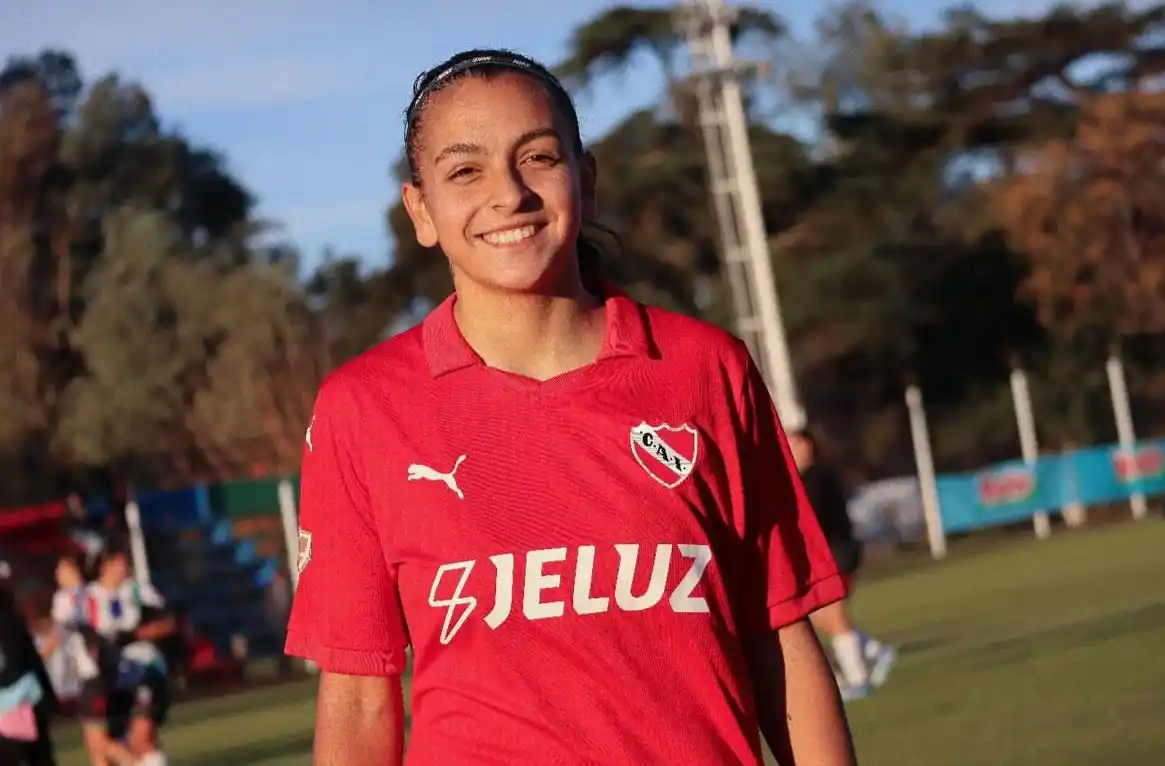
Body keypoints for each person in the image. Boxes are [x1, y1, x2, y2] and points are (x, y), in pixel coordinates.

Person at [286, 48, 857, 766]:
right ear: (421, 211)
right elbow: (357, 696)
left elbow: (777, 635)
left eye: (537, 157)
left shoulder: (704, 369)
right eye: (465, 171)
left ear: (584, 181)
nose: (509, 194)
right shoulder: (363, 407)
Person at [788, 428, 897, 699]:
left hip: (836, 554)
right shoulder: (805, 478)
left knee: (832, 616)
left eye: (794, 443)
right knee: (816, 616)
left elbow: (811, 520)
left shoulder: (816, 477)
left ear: (807, 445)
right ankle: (873, 652)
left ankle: (857, 678)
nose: (789, 449)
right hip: (828, 556)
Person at [82, 549, 174, 766]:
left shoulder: (139, 591)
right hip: (109, 677)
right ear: (105, 566)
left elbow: (167, 623)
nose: (124, 568)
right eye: (118, 563)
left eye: (125, 563)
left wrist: (137, 634)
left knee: (141, 738)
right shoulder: (88, 596)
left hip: (145, 669)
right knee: (114, 744)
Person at [0, 560, 59, 766]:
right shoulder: (12, 618)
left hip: (17, 706)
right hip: (27, 701)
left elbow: (15, 665)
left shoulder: (8, 621)